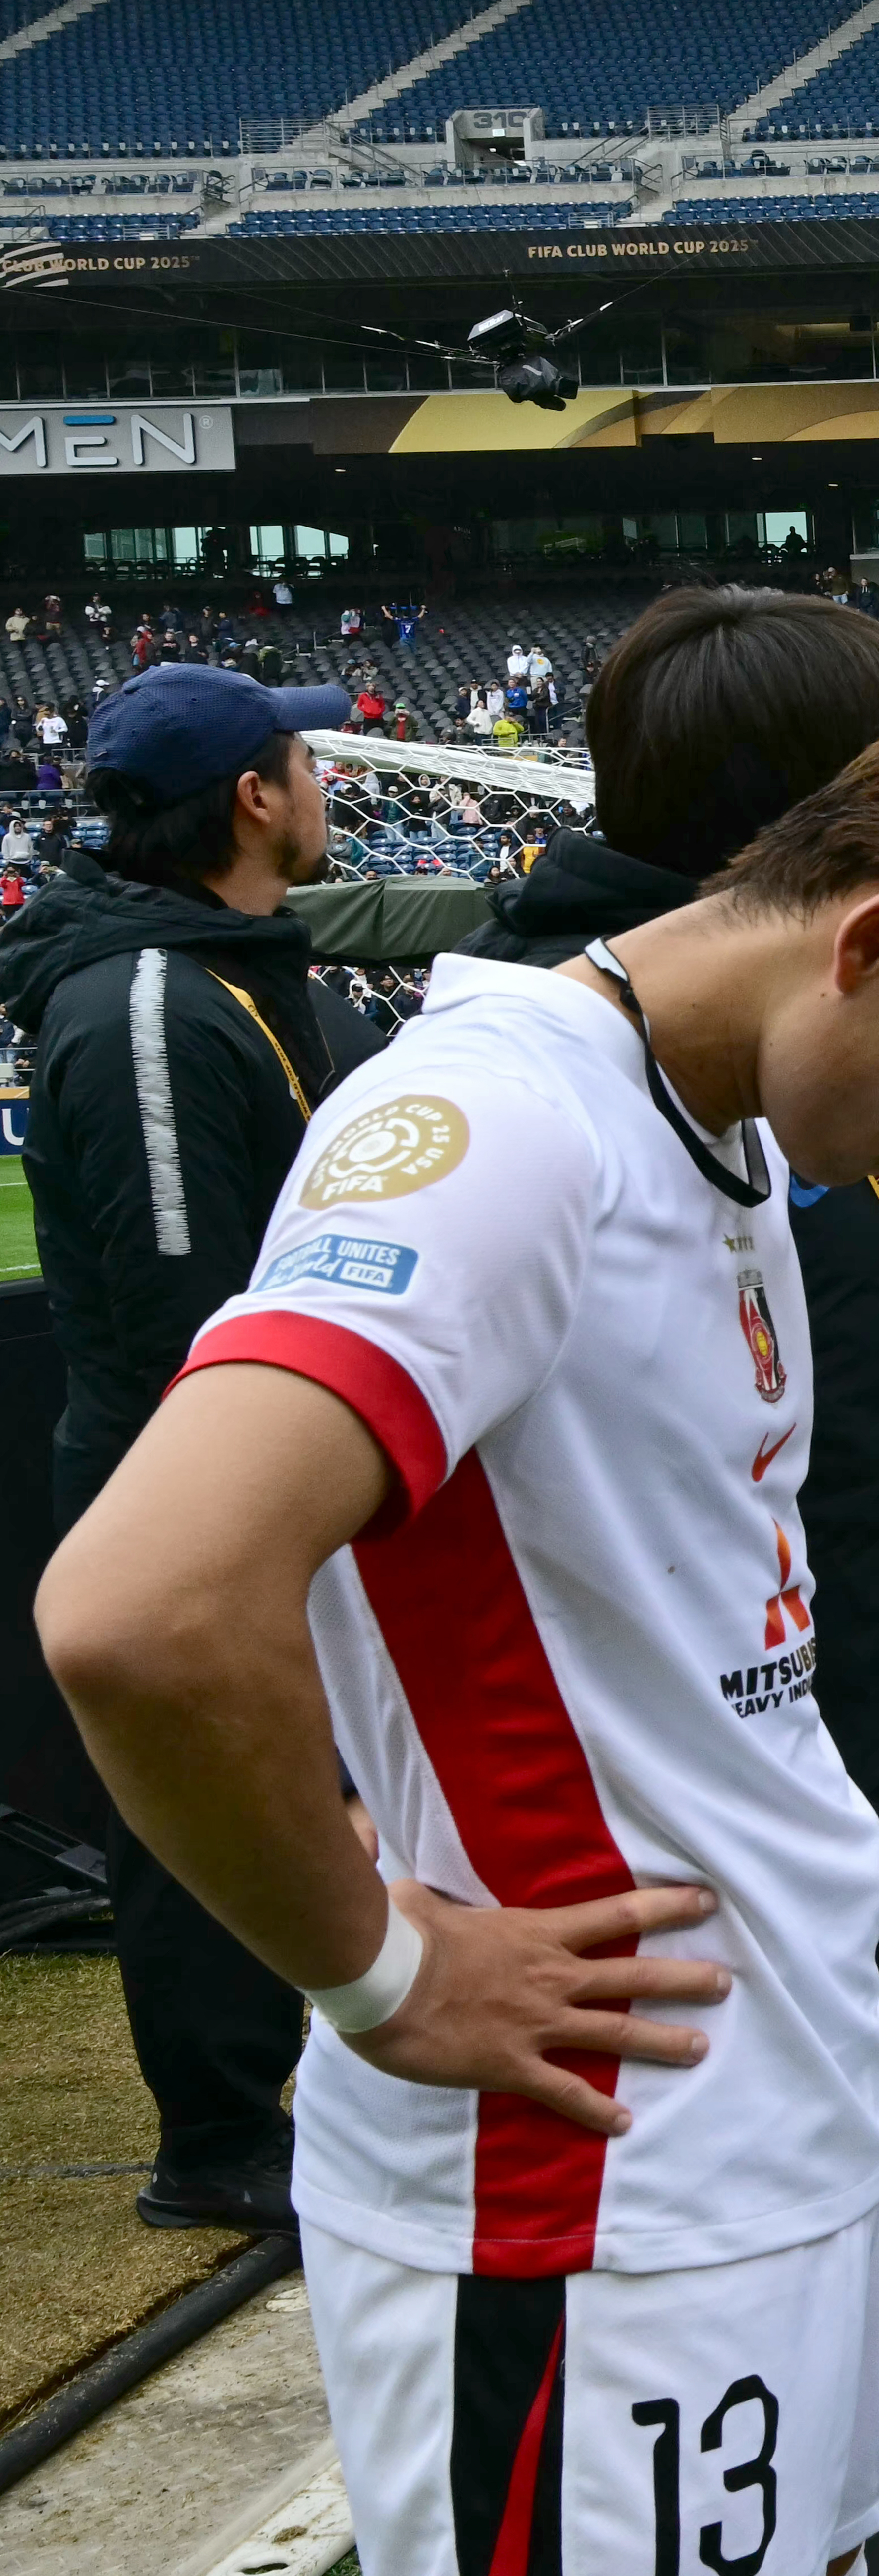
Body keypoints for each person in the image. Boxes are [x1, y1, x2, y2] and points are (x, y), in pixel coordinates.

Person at [40, 713, 879, 2576]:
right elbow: (143, 1606)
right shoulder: (501, 1121)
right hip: (590, 2184)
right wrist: (372, 1971)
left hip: (785, 2122)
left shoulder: (729, 1133)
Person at [439, 584, 879, 2576]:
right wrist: (365, 1938)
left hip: (876, 1913)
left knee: (870, 2491)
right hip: (713, 2011)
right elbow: (157, 1588)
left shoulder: (745, 1077)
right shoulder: (550, 1099)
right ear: (829, 834)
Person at [0, 662, 377, 2237]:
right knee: (200, 1805)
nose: (324, 782)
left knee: (297, 1785)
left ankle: (299, 2094)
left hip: (281, 1484)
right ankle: (219, 2139)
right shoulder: (148, 1003)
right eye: (303, 757)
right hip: (197, 1489)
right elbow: (183, 1316)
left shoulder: (233, 971)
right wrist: (246, 1527)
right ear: (251, 796)